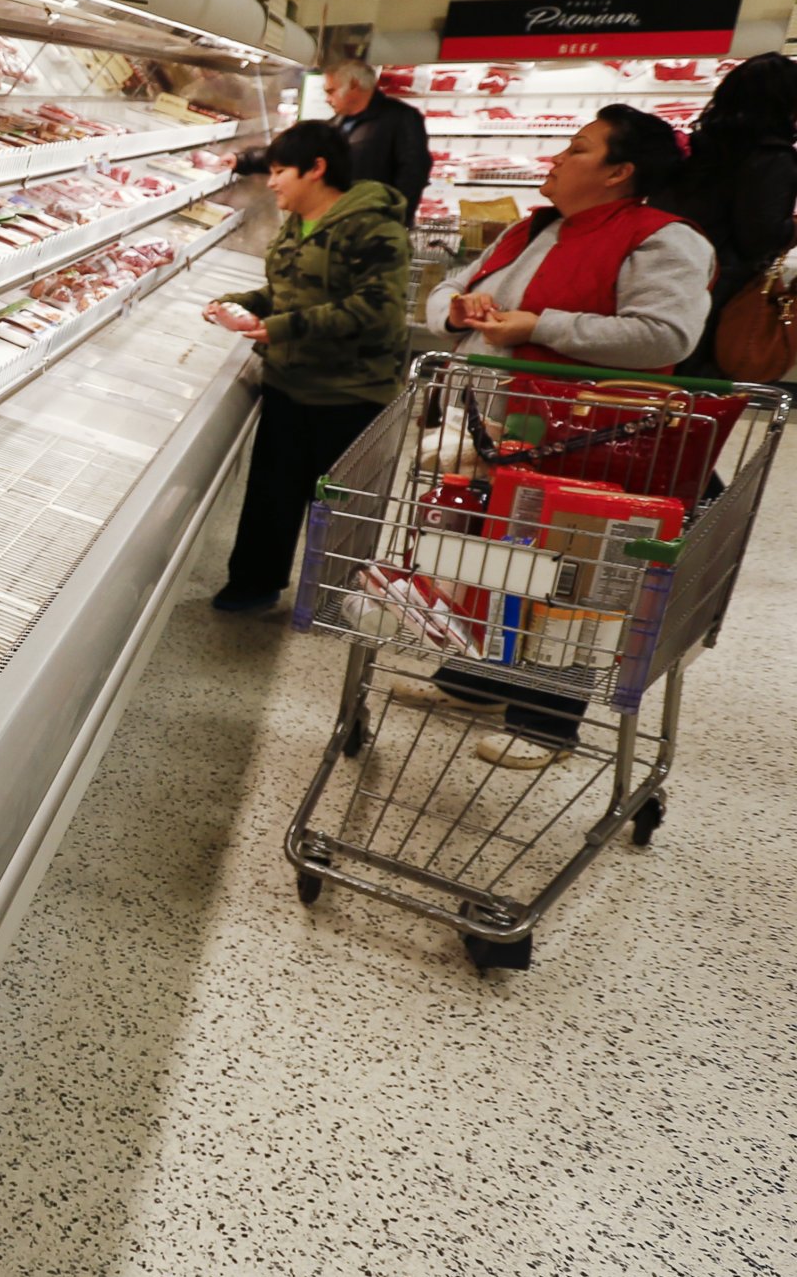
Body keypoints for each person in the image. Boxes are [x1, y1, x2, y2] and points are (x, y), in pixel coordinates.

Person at [407, 103, 714, 769]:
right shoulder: (531, 228)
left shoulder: (663, 240)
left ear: (619, 172)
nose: (556, 158)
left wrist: (538, 325)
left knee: (570, 580)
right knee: (492, 556)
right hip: (497, 432)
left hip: (589, 443)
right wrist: (456, 310)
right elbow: (451, 290)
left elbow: (666, 335)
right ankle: (478, 677)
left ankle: (547, 721)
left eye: (576, 149)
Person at [203, 120, 412, 614]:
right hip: (289, 381)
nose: (270, 181)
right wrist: (236, 303)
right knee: (270, 495)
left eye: (280, 171)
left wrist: (283, 328)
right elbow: (284, 291)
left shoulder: (374, 225)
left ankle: (338, 602)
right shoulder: (298, 219)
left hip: (351, 392)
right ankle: (253, 584)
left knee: (342, 508)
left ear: (316, 169)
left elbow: (376, 311)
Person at [650, 52, 797, 378]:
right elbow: (759, 237)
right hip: (720, 290)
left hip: (664, 273)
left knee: (655, 379)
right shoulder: (772, 156)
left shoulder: (693, 146)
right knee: (696, 391)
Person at [322, 59, 432, 221]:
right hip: (338, 222)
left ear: (353, 84)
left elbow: (414, 171)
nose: (327, 99)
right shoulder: (333, 125)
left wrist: (396, 219)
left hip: (378, 225)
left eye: (331, 91)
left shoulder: (401, 118)